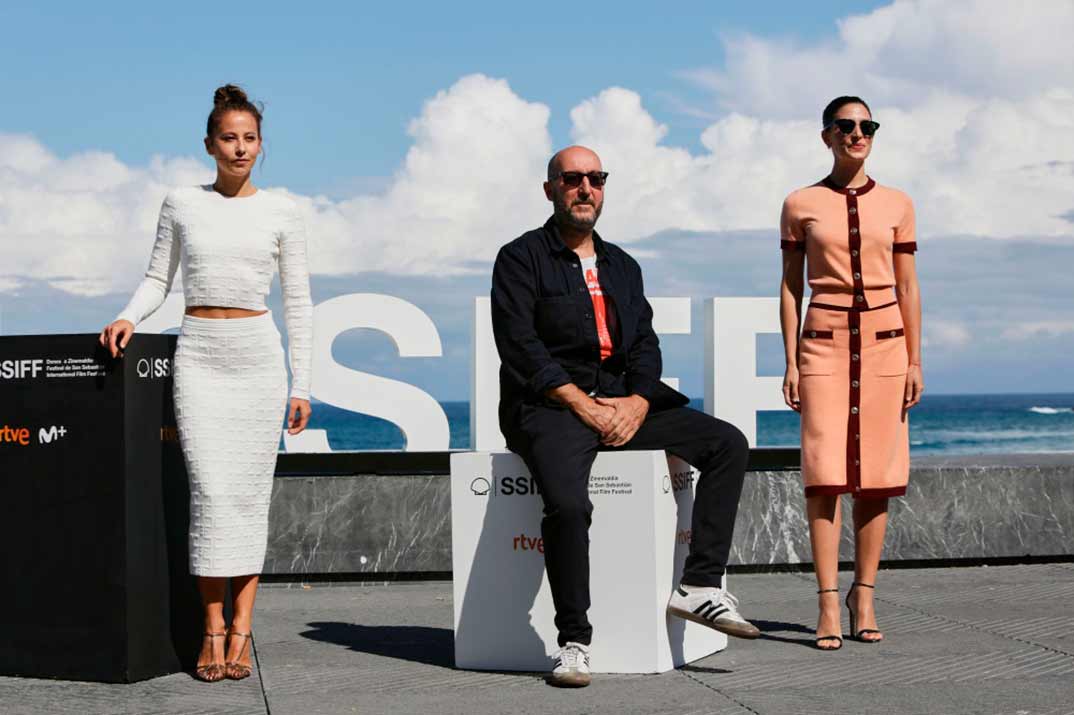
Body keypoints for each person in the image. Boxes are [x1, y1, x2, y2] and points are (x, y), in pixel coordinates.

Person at [492, 145, 759, 688]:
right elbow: (519, 346)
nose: (585, 188)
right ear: (551, 190)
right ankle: (573, 642)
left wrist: (637, 403)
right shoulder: (521, 257)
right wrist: (582, 405)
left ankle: (699, 586)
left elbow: (644, 343)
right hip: (549, 407)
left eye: (595, 178)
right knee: (567, 505)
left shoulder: (622, 265)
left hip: (619, 402)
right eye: (572, 179)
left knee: (727, 443)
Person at [98, 85, 313, 682]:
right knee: (211, 497)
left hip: (258, 360)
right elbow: (155, 278)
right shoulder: (181, 203)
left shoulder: (282, 211)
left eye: (249, 139)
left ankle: (240, 629)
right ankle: (210, 626)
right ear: (209, 144)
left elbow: (298, 302)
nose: (240, 149)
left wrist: (304, 385)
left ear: (260, 144)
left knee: (248, 500)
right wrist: (127, 316)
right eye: (229, 138)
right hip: (200, 356)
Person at [778, 96, 923, 650]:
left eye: (866, 126)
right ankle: (824, 602)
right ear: (827, 136)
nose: (857, 134)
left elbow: (908, 286)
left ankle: (863, 595)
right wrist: (790, 359)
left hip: (886, 343)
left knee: (878, 474)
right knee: (824, 470)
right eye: (846, 126)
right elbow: (792, 285)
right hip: (824, 341)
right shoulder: (800, 202)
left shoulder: (899, 203)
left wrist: (915, 359)